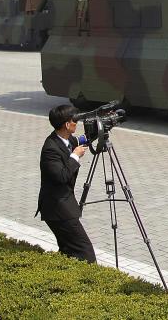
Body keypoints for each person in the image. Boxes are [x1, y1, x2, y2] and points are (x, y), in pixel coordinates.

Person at [36, 104, 97, 263]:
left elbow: (84, 139)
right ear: (67, 124)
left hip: (63, 205)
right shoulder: (51, 148)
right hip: (56, 208)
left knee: (68, 249)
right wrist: (75, 156)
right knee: (84, 251)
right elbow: (61, 176)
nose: (77, 123)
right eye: (75, 120)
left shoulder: (66, 139)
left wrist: (103, 126)